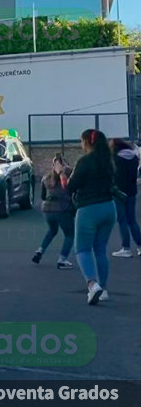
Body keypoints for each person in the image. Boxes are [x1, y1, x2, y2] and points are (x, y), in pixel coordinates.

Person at [67, 129, 116, 305]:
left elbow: (70, 187)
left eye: (81, 141)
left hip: (89, 209)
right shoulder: (107, 161)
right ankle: (103, 288)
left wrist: (63, 174)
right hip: (109, 208)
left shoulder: (84, 161)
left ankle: (92, 284)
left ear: (87, 142)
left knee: (82, 249)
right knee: (101, 249)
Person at [32, 154, 74, 269]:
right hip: (62, 208)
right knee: (70, 234)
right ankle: (62, 260)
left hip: (47, 209)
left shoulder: (46, 177)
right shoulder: (68, 175)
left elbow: (42, 196)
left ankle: (40, 251)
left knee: (52, 230)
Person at [110, 138, 141, 258]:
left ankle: (126, 248)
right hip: (132, 192)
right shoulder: (133, 158)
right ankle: (139, 245)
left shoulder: (115, 159)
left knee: (122, 220)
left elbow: (113, 176)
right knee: (132, 220)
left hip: (119, 193)